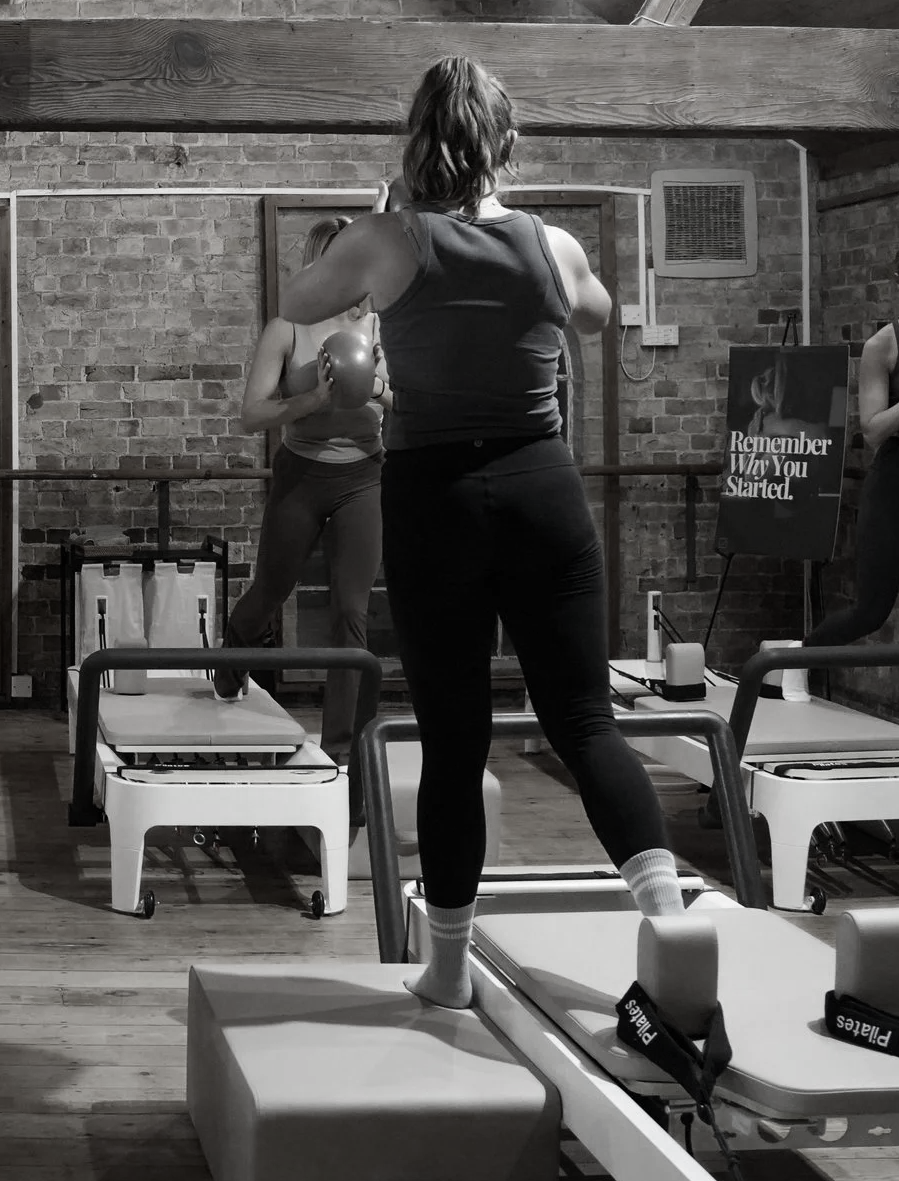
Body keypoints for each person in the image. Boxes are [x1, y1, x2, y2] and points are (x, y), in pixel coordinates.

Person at [281, 55, 684, 1008]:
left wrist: (387, 211)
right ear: (504, 143)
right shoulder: (551, 243)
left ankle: (449, 969)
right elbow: (595, 316)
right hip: (541, 485)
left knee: (453, 738)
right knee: (584, 721)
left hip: (436, 495)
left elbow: (301, 300)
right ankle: (673, 925)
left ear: (416, 139)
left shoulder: (383, 239)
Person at [212, 212, 390, 764]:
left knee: (352, 612)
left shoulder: (376, 325)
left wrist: (375, 387)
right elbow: (250, 415)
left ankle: (343, 750)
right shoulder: (286, 327)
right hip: (303, 470)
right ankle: (229, 659)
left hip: (363, 473)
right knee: (271, 589)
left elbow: (403, 401)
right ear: (319, 261)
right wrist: (310, 401)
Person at [805, 236, 899, 745]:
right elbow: (873, 430)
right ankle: (792, 663)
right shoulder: (885, 345)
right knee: (871, 610)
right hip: (897, 478)